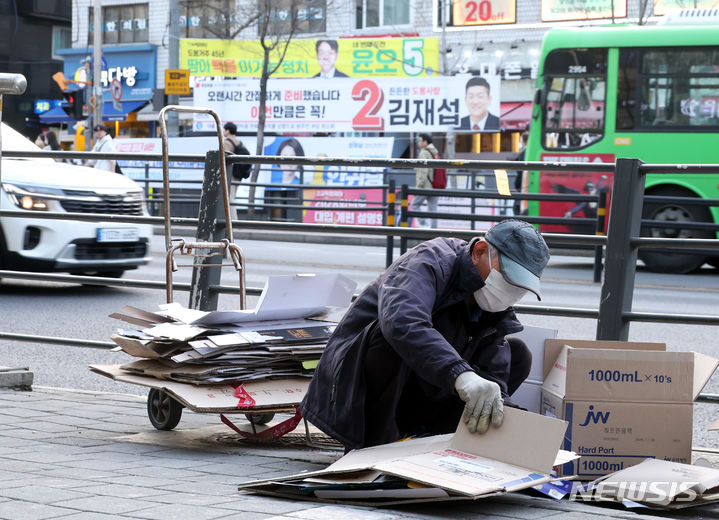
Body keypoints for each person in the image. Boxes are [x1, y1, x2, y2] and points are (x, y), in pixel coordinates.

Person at [300, 219, 550, 451]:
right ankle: (374, 448)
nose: (511, 292)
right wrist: (461, 375)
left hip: (422, 391)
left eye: (520, 288)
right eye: (508, 278)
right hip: (356, 393)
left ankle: (442, 442)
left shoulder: (492, 306)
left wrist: (516, 426)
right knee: (396, 336)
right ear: (480, 252)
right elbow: (403, 322)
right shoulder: (430, 261)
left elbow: (492, 374)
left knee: (517, 354)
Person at [409, 133, 440, 228]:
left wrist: (420, 184)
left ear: (425, 142)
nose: (419, 143)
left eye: (420, 141)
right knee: (433, 209)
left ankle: (423, 224)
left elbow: (423, 170)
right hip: (435, 185)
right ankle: (434, 230)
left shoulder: (424, 153)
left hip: (425, 185)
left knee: (414, 204)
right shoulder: (434, 152)